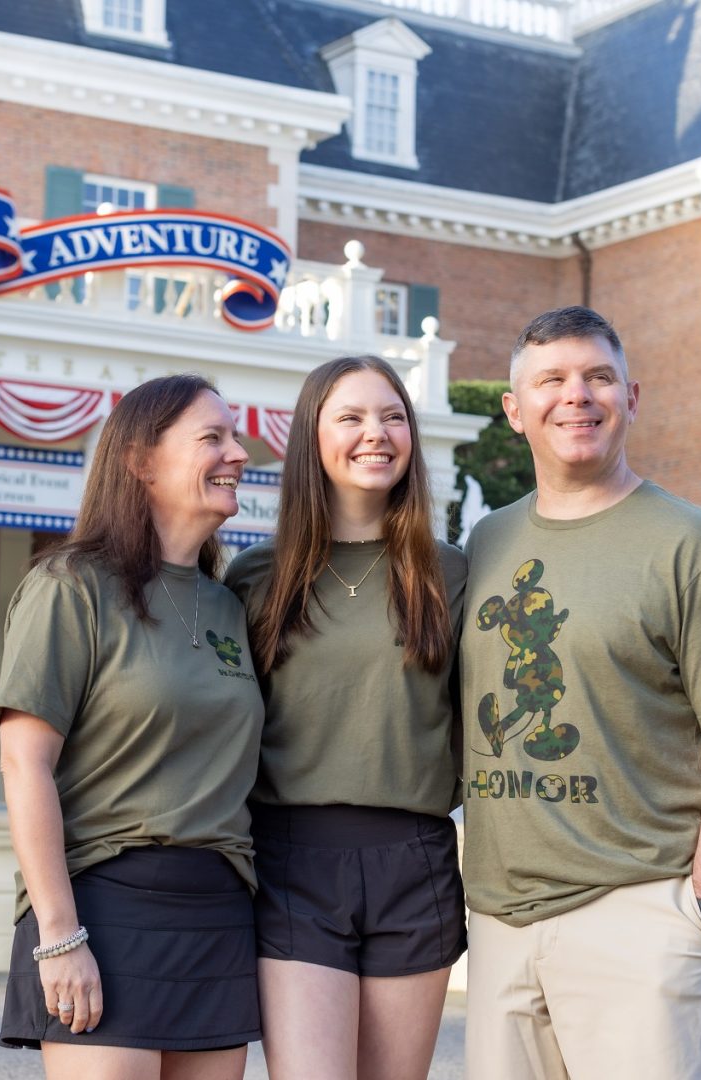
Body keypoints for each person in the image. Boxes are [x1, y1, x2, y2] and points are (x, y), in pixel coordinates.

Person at [460, 306, 701, 1079]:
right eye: (552, 380)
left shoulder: (695, 548)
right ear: (515, 411)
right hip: (501, 925)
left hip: (639, 917)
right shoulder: (486, 543)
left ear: (631, 397)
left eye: (597, 377)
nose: (576, 396)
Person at [0, 374, 266, 1080]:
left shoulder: (231, 605)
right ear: (141, 462)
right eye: (213, 437)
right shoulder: (70, 586)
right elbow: (25, 764)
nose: (239, 453)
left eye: (235, 437)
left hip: (216, 911)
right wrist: (59, 937)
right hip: (104, 909)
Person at [225, 356, 467, 1080]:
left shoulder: (451, 572)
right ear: (313, 437)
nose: (377, 433)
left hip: (415, 860)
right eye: (352, 417)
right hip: (292, 859)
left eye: (393, 416)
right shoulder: (254, 577)